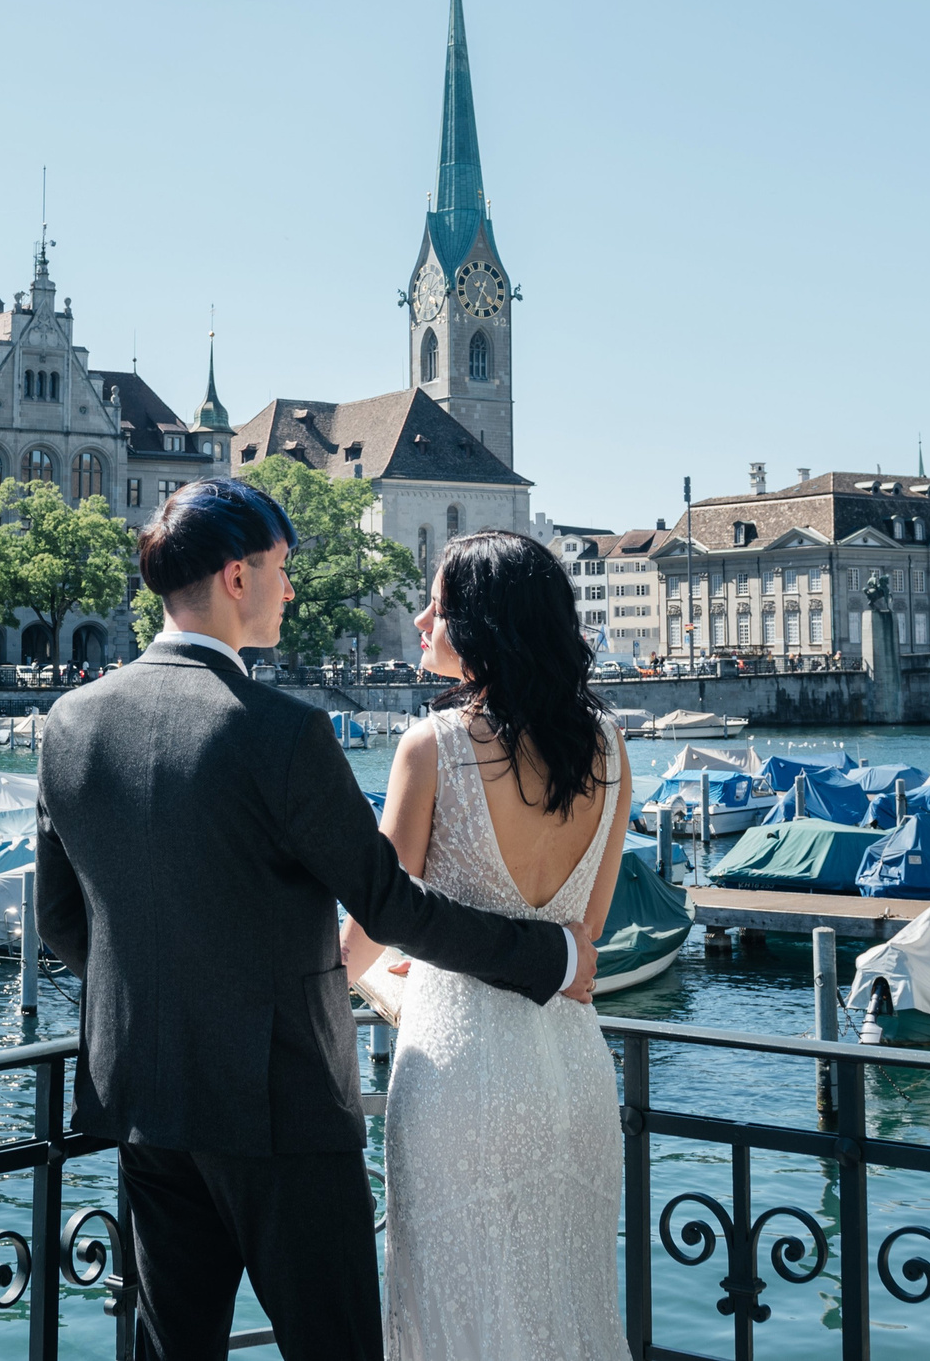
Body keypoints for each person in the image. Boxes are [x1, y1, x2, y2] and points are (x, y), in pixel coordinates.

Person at [34, 479, 588, 1361]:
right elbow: (391, 905)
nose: (292, 589)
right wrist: (547, 955)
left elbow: (62, 921)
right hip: (280, 1103)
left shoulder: (67, 723)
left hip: (145, 1097)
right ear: (236, 577)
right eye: (284, 567)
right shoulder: (282, 731)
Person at [345, 531, 631, 1361]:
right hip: (571, 1071)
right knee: (566, 1311)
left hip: (457, 1076)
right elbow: (584, 939)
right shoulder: (609, 748)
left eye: (439, 601)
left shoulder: (431, 746)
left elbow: (374, 922)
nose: (422, 615)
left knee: (453, 1311)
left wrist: (331, 984)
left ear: (486, 623)